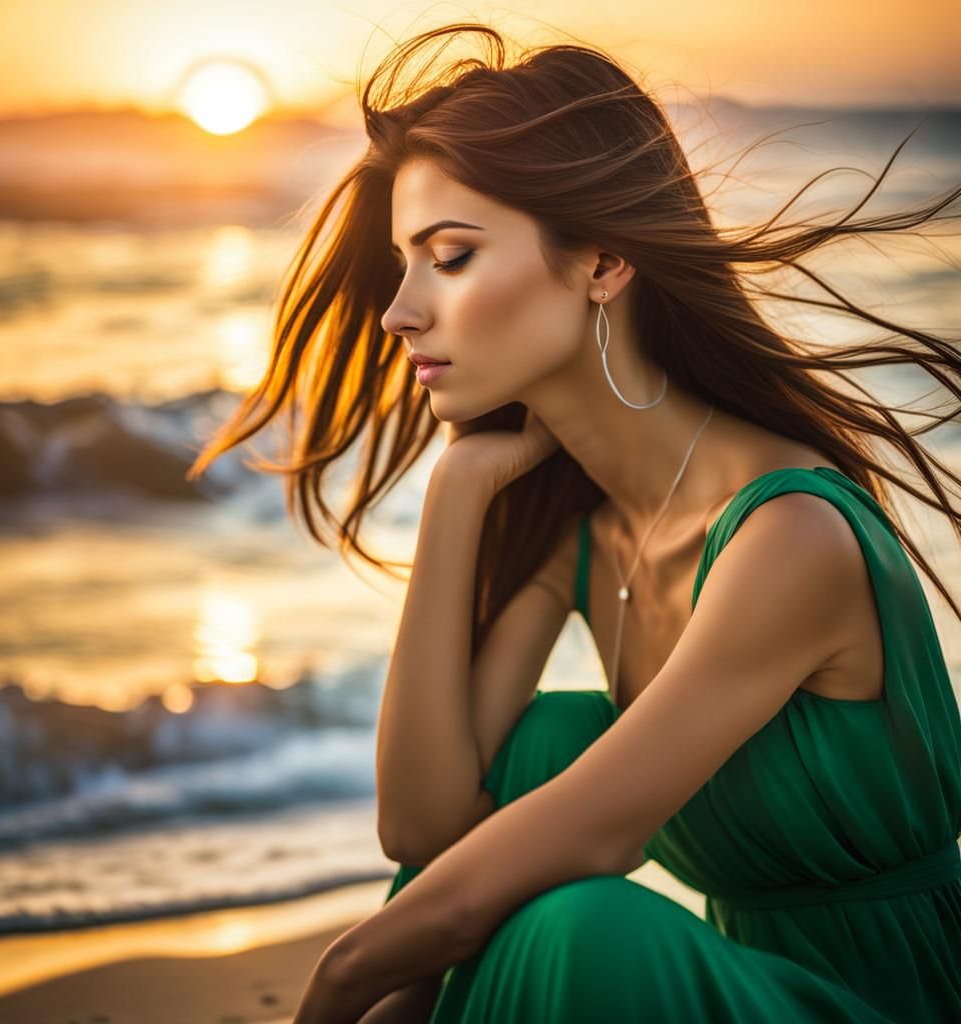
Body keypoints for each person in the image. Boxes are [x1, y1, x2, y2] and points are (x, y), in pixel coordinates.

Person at [187, 22, 961, 1023]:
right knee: (539, 740)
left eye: (451, 257)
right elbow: (422, 820)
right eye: (402, 264)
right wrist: (456, 495)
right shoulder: (583, 530)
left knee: (585, 927)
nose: (400, 311)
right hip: (749, 990)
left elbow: (590, 844)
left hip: (894, 1002)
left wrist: (343, 976)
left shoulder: (788, 535)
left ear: (602, 262)